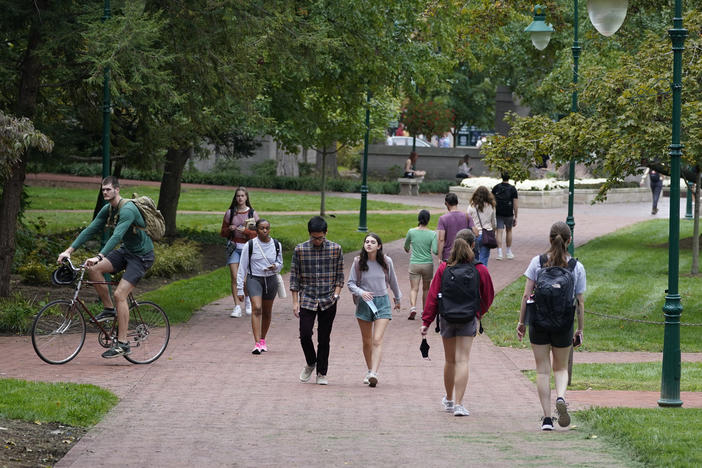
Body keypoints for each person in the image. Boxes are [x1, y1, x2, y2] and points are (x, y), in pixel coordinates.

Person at [56, 176, 155, 359]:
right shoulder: (108, 209)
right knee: (94, 269)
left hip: (142, 257)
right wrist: (68, 251)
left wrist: (99, 255)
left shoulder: (128, 210)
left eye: (108, 189)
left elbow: (116, 236)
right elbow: (91, 229)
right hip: (127, 252)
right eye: (103, 190)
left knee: (120, 294)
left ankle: (123, 343)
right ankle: (109, 309)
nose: (105, 193)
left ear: (117, 189)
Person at [516, 221, 586, 431]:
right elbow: (580, 302)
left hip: (539, 321)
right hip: (563, 323)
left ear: (549, 239)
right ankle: (562, 397)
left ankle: (547, 419)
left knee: (542, 371)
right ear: (569, 241)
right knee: (561, 367)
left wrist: (522, 322)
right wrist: (580, 329)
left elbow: (527, 295)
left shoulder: (537, 263)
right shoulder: (576, 267)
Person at [421, 229, 494, 417]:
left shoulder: (444, 268)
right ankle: (460, 405)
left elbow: (432, 296)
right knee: (463, 360)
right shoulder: (480, 269)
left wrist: (426, 321)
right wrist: (478, 312)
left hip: (446, 317)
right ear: (472, 245)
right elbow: (488, 296)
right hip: (468, 318)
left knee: (449, 360)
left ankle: (449, 399)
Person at [290, 216, 345, 386]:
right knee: (305, 334)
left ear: (326, 233)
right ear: (309, 234)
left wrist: (336, 295)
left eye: (320, 237)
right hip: (307, 298)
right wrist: (295, 302)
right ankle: (311, 362)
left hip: (328, 299)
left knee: (324, 338)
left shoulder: (336, 249)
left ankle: (322, 372)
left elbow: (339, 276)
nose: (317, 241)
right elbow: (294, 277)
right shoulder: (300, 250)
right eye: (314, 237)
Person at [347, 233, 401, 388]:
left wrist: (397, 298)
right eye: (366, 242)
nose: (369, 244)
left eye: (372, 242)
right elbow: (350, 284)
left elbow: (393, 281)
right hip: (365, 302)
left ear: (379, 246)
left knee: (377, 339)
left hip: (382, 302)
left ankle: (374, 373)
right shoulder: (358, 262)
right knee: (367, 340)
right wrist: (361, 292)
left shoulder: (386, 261)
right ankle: (369, 369)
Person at [237, 219, 283, 355]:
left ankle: (263, 339)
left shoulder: (276, 244)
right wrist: (240, 288)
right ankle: (256, 343)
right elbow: (242, 267)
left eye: (267, 228)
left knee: (267, 311)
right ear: (256, 230)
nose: (265, 231)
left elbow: (280, 263)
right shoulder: (250, 245)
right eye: (262, 228)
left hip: (271, 279)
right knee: (257, 308)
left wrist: (275, 266)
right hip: (254, 279)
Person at [221, 187, 258, 318]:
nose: (240, 198)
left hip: (247, 248)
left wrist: (246, 232)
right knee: (235, 277)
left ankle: (247, 302)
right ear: (235, 198)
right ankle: (237, 306)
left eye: (242, 196)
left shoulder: (252, 214)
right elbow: (222, 232)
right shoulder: (230, 213)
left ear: (246, 197)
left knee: (245, 279)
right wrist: (230, 229)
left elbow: (257, 234)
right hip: (233, 247)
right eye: (238, 196)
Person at [403, 210, 438, 320]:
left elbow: (406, 247)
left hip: (415, 263)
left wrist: (408, 249)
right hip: (427, 264)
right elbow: (436, 251)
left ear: (419, 218)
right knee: (426, 289)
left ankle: (413, 308)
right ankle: (424, 311)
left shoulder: (411, 232)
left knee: (414, 288)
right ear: (428, 220)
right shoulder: (432, 234)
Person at [436, 192, 477, 262]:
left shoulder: (443, 218)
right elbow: (476, 233)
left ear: (446, 203)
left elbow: (441, 239)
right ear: (457, 202)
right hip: (464, 253)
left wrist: (439, 257)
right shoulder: (467, 216)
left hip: (448, 254)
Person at [467, 186, 497, 266]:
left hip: (475, 234)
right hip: (487, 234)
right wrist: (493, 230)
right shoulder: (491, 206)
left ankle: (475, 276)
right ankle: (482, 276)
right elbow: (494, 222)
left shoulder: (471, 207)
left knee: (474, 258)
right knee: (484, 258)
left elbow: (468, 221)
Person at [492, 173, 519, 260]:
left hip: (499, 212)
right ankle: (508, 252)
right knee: (509, 231)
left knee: (499, 232)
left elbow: (492, 202)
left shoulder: (496, 187)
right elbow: (515, 204)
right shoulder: (512, 189)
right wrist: (516, 216)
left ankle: (499, 253)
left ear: (501, 177)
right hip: (509, 213)